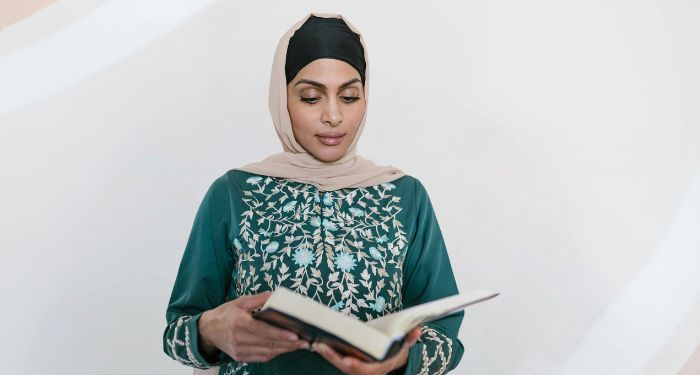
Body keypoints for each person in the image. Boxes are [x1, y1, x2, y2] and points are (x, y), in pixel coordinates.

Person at [163, 12, 465, 375]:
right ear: (282, 98)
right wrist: (210, 331)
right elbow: (177, 334)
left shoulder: (405, 197)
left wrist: (402, 359)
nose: (333, 116)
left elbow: (445, 337)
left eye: (350, 96)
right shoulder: (233, 194)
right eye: (310, 97)